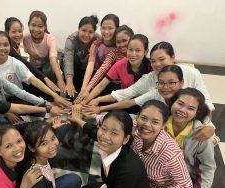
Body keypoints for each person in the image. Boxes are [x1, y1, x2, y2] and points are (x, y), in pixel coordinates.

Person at [85, 41, 215, 141]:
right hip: (163, 125)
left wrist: (209, 127)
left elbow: (206, 103)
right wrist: (97, 101)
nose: (157, 64)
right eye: (153, 61)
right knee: (129, 121)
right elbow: (127, 95)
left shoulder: (192, 73)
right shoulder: (153, 85)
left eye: (162, 59)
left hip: (189, 123)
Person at [56, 109, 149, 188]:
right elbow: (92, 131)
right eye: (103, 128)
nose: (105, 136)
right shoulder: (111, 143)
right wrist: (78, 120)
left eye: (114, 133)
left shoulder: (129, 170)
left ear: (125, 139)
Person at [130, 100, 193, 188]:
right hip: (139, 185)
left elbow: (186, 186)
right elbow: (111, 122)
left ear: (163, 125)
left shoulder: (170, 153)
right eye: (143, 118)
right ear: (137, 117)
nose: (147, 125)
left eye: (155, 122)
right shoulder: (135, 128)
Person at [165, 88, 216, 188]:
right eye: (180, 103)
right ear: (172, 102)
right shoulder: (160, 120)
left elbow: (208, 166)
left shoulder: (201, 133)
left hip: (185, 174)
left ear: (196, 112)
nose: (182, 110)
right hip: (157, 169)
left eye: (190, 108)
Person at [18, 120, 82, 188]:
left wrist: (68, 122)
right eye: (44, 143)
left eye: (53, 138)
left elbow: (59, 133)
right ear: (32, 148)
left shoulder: (40, 155)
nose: (52, 145)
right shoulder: (36, 180)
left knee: (75, 180)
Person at [0, 30, 70, 107]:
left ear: (10, 46)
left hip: (16, 97)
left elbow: (34, 80)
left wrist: (55, 95)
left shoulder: (15, 63)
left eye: (6, 45)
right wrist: (6, 111)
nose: (2, 48)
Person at [84, 34, 152, 107]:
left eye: (138, 50)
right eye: (130, 50)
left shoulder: (152, 66)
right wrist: (83, 102)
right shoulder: (120, 64)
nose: (133, 54)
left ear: (145, 52)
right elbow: (101, 85)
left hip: (146, 104)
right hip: (124, 102)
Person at [4, 17, 60, 93]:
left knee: (47, 72)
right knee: (38, 88)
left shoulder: (15, 42)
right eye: (14, 32)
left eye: (20, 31)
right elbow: (25, 63)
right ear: (7, 32)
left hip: (20, 72)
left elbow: (53, 58)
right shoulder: (8, 48)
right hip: (9, 79)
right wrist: (45, 79)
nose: (18, 34)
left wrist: (59, 80)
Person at [82, 24, 135, 100]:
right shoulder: (114, 52)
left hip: (133, 89)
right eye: (118, 42)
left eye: (125, 41)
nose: (122, 44)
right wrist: (87, 89)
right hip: (115, 86)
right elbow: (102, 69)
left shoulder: (137, 55)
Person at [75, 14, 120, 103]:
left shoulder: (119, 44)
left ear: (117, 29)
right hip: (97, 76)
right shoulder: (96, 43)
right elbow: (90, 65)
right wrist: (84, 89)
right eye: (103, 28)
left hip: (113, 80)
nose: (106, 32)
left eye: (110, 28)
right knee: (83, 95)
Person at [23, 10, 66, 91]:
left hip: (48, 66)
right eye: (33, 25)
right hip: (33, 66)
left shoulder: (50, 39)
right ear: (28, 25)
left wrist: (60, 80)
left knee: (49, 71)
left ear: (44, 27)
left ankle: (52, 91)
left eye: (40, 26)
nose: (36, 29)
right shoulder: (25, 37)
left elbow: (53, 59)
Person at [63, 15, 100, 97]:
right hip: (73, 67)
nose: (86, 35)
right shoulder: (71, 39)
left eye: (90, 32)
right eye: (84, 30)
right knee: (68, 93)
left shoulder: (98, 39)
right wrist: (69, 83)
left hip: (87, 68)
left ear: (94, 32)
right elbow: (68, 61)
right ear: (78, 29)